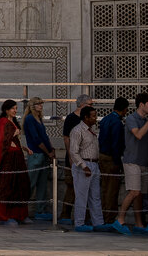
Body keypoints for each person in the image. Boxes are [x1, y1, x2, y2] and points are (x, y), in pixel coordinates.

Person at [115, 92, 148, 234]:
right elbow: (138, 134)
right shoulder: (131, 118)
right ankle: (120, 219)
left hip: (144, 161)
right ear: (141, 104)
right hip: (132, 161)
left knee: (140, 194)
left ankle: (139, 223)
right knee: (134, 191)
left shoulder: (147, 121)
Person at [0, 99, 30, 225]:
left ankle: (20, 214)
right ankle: (4, 215)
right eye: (13, 108)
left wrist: (24, 148)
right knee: (7, 186)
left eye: (16, 108)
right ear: (6, 110)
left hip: (17, 157)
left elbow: (15, 141)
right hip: (8, 159)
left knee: (20, 185)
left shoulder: (13, 122)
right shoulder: (3, 122)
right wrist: (13, 133)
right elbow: (1, 140)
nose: (15, 110)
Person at [68, 105, 105, 232]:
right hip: (83, 165)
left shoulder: (92, 130)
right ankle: (79, 223)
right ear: (86, 117)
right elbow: (73, 152)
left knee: (95, 196)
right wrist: (83, 166)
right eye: (93, 116)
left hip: (94, 164)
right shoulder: (77, 130)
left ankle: (98, 222)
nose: (95, 118)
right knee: (81, 196)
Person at [59, 93, 91, 223]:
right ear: (82, 105)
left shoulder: (86, 119)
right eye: (90, 104)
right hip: (73, 158)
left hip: (85, 157)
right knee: (71, 187)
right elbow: (66, 138)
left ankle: (85, 216)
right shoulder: (71, 118)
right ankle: (65, 215)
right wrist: (71, 155)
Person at [98, 98, 129, 223]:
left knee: (105, 189)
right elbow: (116, 143)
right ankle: (109, 218)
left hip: (103, 156)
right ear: (124, 108)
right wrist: (118, 162)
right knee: (112, 190)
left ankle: (104, 215)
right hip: (111, 158)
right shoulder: (117, 122)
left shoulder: (106, 119)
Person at [24, 96, 54, 220]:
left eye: (41, 103)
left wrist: (51, 150)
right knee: (30, 184)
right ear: (33, 106)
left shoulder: (39, 119)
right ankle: (22, 209)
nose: (41, 106)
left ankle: (40, 210)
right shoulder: (30, 119)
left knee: (42, 184)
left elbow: (45, 137)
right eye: (38, 104)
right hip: (36, 154)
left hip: (43, 154)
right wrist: (48, 151)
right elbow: (36, 139)